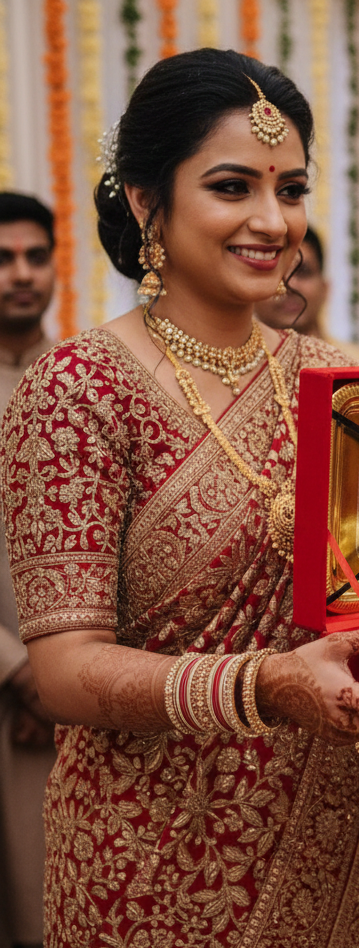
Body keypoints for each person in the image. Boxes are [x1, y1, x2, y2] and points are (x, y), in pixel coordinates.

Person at [1, 49, 359, 947]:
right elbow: (62, 672)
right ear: (144, 201)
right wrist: (261, 685)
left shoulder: (348, 382)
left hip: (353, 845)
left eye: (293, 188)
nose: (273, 222)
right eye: (233, 187)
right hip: (159, 866)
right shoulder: (78, 388)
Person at [0, 192, 57, 948]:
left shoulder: (86, 378)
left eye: (35, 256)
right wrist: (18, 670)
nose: (20, 274)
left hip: (71, 699)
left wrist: (61, 677)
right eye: (2, 258)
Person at [254, 226, 359, 364]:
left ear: (325, 288)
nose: (290, 285)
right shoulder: (238, 376)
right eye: (276, 273)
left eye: (303, 272)